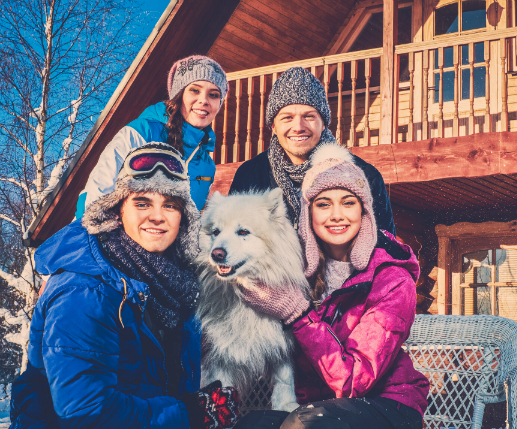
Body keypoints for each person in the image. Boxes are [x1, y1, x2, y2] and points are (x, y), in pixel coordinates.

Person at [10, 144, 239, 429]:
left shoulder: (175, 283)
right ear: (117, 210)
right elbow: (86, 411)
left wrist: (201, 403)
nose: (157, 216)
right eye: (142, 203)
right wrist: (187, 415)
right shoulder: (85, 290)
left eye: (170, 205)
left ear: (184, 218)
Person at [234, 142, 429, 429]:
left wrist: (298, 314)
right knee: (254, 424)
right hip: (322, 407)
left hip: (390, 405)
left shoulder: (391, 278)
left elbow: (354, 380)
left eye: (348, 202)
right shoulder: (299, 271)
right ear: (308, 213)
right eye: (323, 204)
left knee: (306, 423)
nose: (336, 215)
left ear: (364, 211)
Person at [228, 67, 396, 235]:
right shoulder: (249, 176)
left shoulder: (364, 176)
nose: (298, 127)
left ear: (323, 123)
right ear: (273, 126)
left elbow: (386, 250)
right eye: (287, 118)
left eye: (308, 116)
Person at [75, 55, 229, 218]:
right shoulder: (143, 133)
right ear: (179, 94)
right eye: (195, 90)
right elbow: (98, 191)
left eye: (214, 95)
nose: (204, 100)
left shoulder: (206, 166)